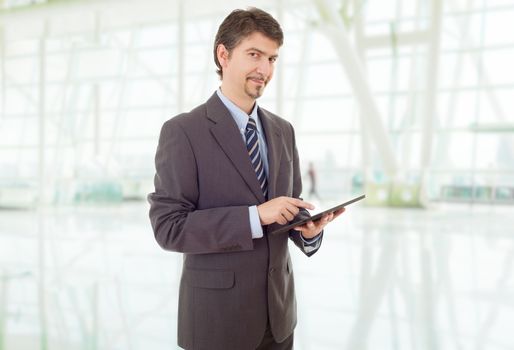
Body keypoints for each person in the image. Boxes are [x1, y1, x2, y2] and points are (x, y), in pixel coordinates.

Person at [148, 7, 344, 350]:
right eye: (254, 55)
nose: (264, 69)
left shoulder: (284, 131)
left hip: (279, 320)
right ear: (223, 54)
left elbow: (287, 210)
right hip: (218, 322)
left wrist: (307, 232)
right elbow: (169, 227)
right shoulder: (184, 132)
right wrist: (255, 216)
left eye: (272, 59)